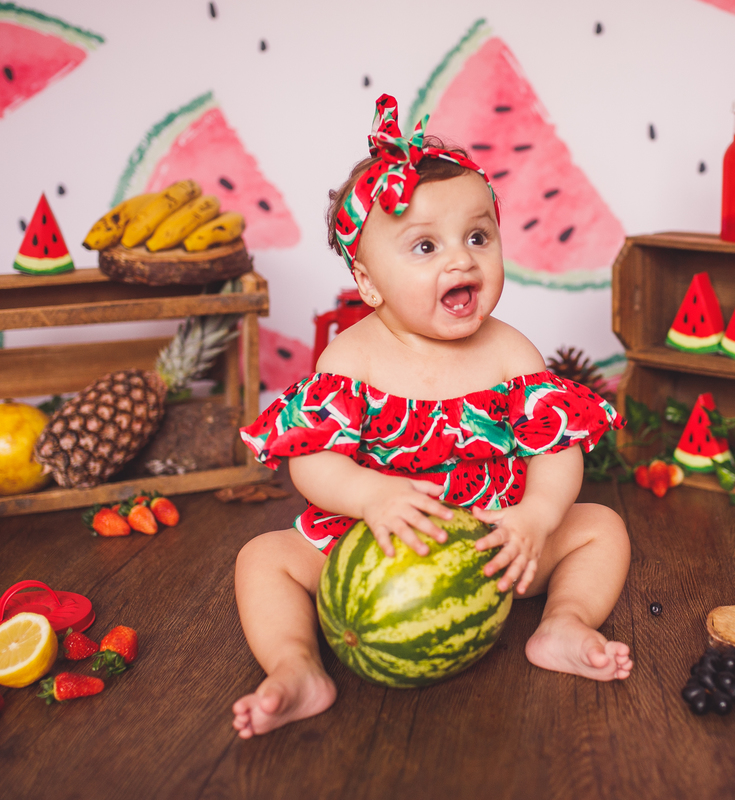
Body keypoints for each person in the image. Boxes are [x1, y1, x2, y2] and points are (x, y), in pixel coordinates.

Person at [231, 95, 632, 739]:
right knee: (263, 558)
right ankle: (296, 663)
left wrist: (536, 516)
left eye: (478, 236)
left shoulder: (510, 352)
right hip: (372, 540)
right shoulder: (351, 356)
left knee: (600, 527)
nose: (461, 259)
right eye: (424, 245)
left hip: (499, 546)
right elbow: (312, 457)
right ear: (367, 281)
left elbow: (555, 449)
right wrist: (370, 494)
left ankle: (563, 622)